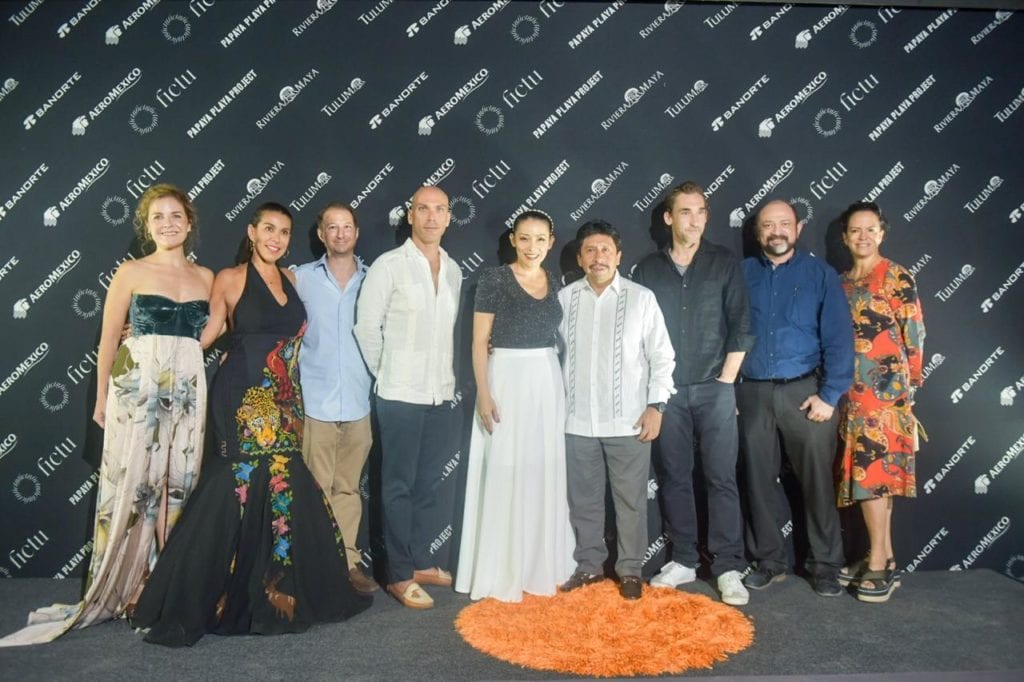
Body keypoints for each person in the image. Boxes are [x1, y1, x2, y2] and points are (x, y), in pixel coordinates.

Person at [132, 203, 371, 646]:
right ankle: (209, 595)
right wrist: (152, 337)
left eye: (284, 232)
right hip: (241, 397)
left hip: (285, 400)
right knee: (235, 487)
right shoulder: (231, 278)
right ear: (252, 232)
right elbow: (206, 334)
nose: (275, 239)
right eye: (268, 229)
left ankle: (275, 593)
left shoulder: (293, 280)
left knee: (280, 487)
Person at [0, 184, 213, 647]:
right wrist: (101, 398)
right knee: (135, 485)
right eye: (158, 217)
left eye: (176, 216)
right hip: (136, 389)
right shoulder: (131, 272)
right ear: (147, 226)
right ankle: (129, 585)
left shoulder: (206, 277)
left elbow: (205, 334)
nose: (168, 224)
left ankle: (165, 584)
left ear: (189, 223)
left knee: (178, 485)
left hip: (187, 392)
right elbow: (108, 339)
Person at [633, 181, 754, 607]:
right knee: (674, 476)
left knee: (721, 477)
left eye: (701, 211)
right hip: (667, 392)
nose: (695, 220)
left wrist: (725, 382)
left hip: (714, 388)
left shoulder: (723, 263)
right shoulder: (647, 270)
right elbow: (638, 336)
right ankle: (683, 559)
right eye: (686, 212)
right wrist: (654, 393)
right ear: (669, 218)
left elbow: (741, 324)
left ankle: (728, 566)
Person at [455, 210, 575, 602]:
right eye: (525, 238)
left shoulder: (555, 281)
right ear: (513, 240)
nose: (532, 247)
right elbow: (478, 342)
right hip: (505, 377)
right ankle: (501, 568)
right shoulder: (494, 279)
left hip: (546, 380)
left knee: (541, 468)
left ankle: (538, 563)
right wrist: (484, 393)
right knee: (504, 468)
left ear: (551, 242)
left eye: (540, 239)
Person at [737, 199, 854, 598]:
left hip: (806, 393)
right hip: (753, 392)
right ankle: (769, 561)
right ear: (758, 232)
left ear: (798, 228)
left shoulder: (820, 274)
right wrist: (730, 388)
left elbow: (839, 338)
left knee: (818, 482)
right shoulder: (742, 274)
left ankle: (825, 565)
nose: (777, 232)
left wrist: (829, 395)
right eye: (768, 225)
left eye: (784, 223)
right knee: (757, 481)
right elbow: (727, 331)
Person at [354, 185, 461, 610]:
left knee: (428, 484)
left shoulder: (453, 269)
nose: (431, 217)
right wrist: (389, 374)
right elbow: (367, 328)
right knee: (397, 486)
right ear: (410, 216)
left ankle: (418, 562)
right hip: (399, 394)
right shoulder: (389, 265)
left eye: (440, 209)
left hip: (440, 393)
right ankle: (398, 574)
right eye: (423, 209)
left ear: (448, 217)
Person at [557, 221, 675, 601]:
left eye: (605, 249)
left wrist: (656, 406)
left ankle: (630, 571)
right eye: (590, 250)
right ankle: (589, 566)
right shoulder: (563, 300)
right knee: (583, 502)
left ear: (619, 256)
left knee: (631, 503)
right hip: (576, 422)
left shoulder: (641, 299)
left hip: (629, 422)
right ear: (580, 258)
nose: (598, 257)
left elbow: (662, 357)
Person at [836, 201, 925, 603]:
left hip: (885, 395)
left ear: (882, 233)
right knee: (870, 477)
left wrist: (909, 386)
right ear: (845, 237)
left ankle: (876, 562)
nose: (863, 237)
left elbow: (914, 333)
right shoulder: (841, 282)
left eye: (870, 229)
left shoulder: (896, 275)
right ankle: (884, 557)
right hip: (851, 394)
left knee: (873, 475)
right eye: (855, 230)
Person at [293, 202, 378, 594]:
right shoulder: (300, 278)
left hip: (359, 401)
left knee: (348, 488)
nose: (340, 233)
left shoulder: (375, 279)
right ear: (321, 234)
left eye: (347, 227)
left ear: (356, 233)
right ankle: (311, 566)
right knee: (314, 490)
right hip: (316, 401)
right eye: (332, 227)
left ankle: (347, 563)